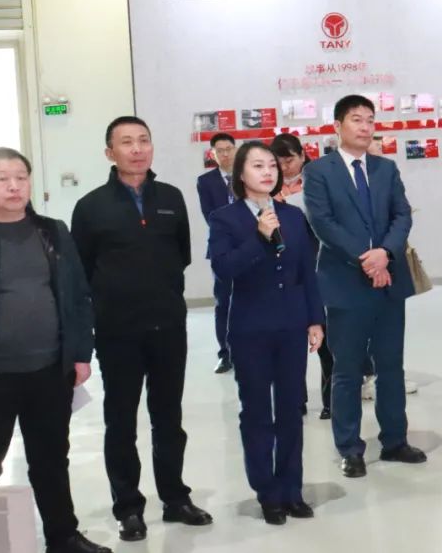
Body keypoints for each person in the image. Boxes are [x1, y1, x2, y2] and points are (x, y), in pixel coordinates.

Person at [71, 116, 212, 540]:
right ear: (109, 153)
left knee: (169, 417)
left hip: (168, 326)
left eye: (144, 140)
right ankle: (128, 507)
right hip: (117, 331)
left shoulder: (171, 197)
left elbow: (182, 255)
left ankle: (175, 498)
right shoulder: (91, 206)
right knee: (121, 421)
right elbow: (81, 271)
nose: (137, 149)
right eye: (127, 142)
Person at [0, 148, 110, 553]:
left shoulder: (53, 232)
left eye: (21, 177)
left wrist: (80, 353)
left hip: (48, 371)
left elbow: (78, 296)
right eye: (2, 179)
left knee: (51, 459)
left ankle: (63, 537)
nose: (14, 186)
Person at [303, 95, 426, 478]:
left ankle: (395, 441)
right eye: (356, 119)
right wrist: (366, 259)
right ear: (338, 126)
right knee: (347, 369)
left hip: (388, 280)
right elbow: (323, 223)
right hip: (345, 282)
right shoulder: (319, 171)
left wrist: (385, 254)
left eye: (370, 119)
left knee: (391, 365)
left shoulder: (385, 168)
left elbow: (402, 215)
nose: (365, 126)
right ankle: (350, 448)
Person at [208, 142, 325, 525]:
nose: (268, 172)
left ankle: (292, 489)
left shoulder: (292, 216)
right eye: (257, 166)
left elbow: (307, 270)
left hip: (291, 325)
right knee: (257, 412)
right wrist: (259, 237)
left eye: (272, 165)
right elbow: (225, 269)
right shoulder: (225, 219)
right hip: (250, 329)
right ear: (241, 174)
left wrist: (315, 319)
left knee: (291, 409)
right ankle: (267, 492)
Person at [272, 133, 335, 420]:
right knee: (291, 339)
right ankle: (296, 400)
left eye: (290, 160)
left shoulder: (318, 180)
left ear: (302, 155)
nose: (285, 167)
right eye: (280, 161)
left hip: (320, 264)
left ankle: (331, 399)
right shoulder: (268, 184)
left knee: (326, 337)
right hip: (285, 269)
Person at [196, 132, 237, 374]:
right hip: (221, 249)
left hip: (251, 246)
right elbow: (210, 216)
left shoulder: (246, 174)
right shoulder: (206, 181)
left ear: (235, 149)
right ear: (213, 154)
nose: (225, 154)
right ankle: (225, 353)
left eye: (228, 149)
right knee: (223, 303)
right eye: (219, 150)